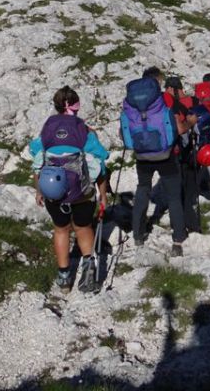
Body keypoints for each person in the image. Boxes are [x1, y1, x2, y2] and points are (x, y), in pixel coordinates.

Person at [30, 86, 109, 293]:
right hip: (82, 193)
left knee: (61, 229)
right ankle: (89, 271)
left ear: (56, 106)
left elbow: (37, 159)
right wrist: (103, 194)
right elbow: (101, 160)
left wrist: (39, 190)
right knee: (83, 227)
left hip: (54, 192)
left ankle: (64, 277)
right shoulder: (82, 129)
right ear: (76, 105)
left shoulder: (47, 128)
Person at [121, 67, 188, 256]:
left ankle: (138, 234)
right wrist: (189, 123)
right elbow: (180, 128)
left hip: (142, 154)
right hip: (167, 153)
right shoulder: (165, 99)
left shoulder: (131, 102)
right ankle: (177, 241)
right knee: (174, 197)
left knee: (143, 189)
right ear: (157, 82)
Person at [150, 76, 201, 234]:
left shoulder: (154, 102)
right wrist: (191, 123)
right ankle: (186, 229)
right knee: (180, 191)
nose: (181, 92)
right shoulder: (173, 102)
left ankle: (141, 230)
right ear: (173, 89)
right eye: (179, 89)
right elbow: (181, 128)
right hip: (175, 152)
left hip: (152, 151)